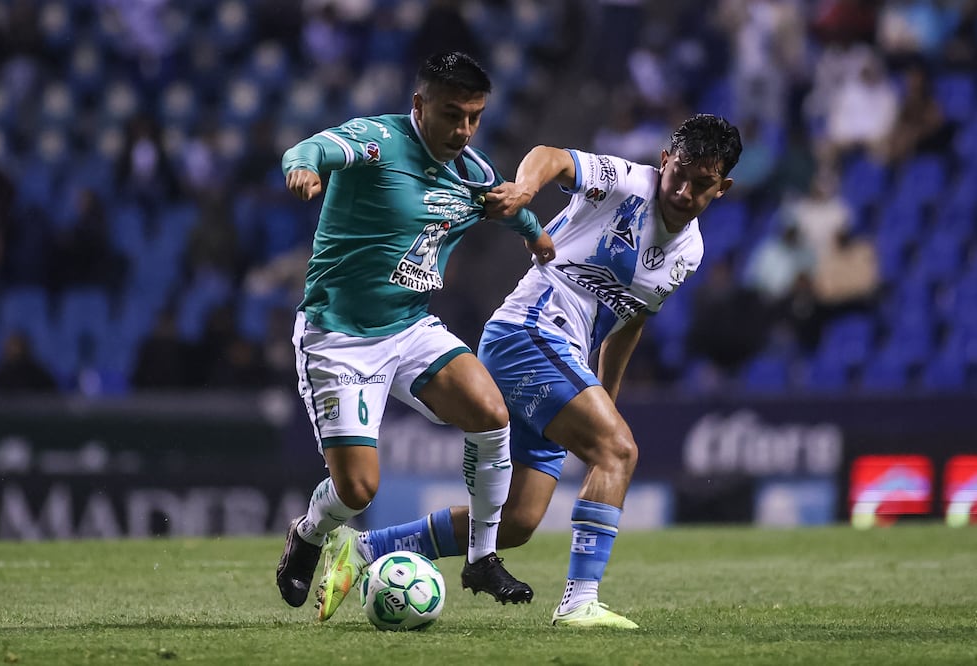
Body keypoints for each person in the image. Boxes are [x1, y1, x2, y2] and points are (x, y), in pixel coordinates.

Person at [315, 114, 743, 628]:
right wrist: (522, 191)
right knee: (620, 451)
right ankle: (580, 601)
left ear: (722, 188)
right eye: (679, 175)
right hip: (529, 334)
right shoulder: (629, 183)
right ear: (665, 161)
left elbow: (629, 322)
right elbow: (551, 157)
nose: (683, 191)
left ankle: (363, 549)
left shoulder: (689, 252)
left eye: (702, 184)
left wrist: (604, 399)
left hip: (562, 358)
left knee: (516, 522)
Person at [275, 51, 556, 615]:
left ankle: (482, 557)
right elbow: (311, 148)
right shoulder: (377, 141)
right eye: (452, 115)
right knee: (358, 491)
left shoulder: (472, 169)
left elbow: (502, 202)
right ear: (419, 105)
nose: (464, 130)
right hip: (339, 337)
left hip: (408, 327)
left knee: (491, 414)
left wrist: (535, 234)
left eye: (475, 117)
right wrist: (302, 168)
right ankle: (308, 533)